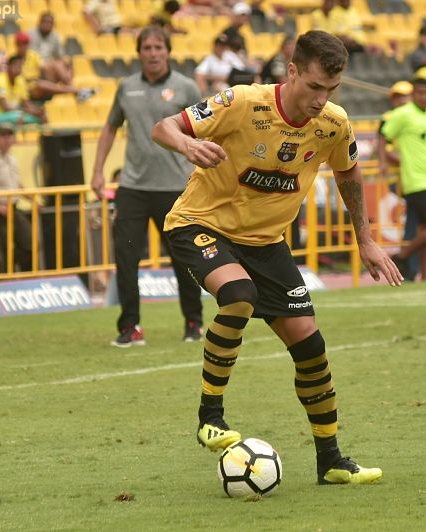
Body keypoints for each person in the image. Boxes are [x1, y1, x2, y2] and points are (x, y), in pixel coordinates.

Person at [150, 30, 401, 484]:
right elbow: (162, 126)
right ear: (291, 72)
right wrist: (187, 145)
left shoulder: (334, 123)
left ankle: (331, 461)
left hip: (266, 243)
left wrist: (365, 239)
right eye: (314, 87)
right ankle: (211, 417)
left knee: (311, 346)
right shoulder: (243, 101)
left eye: (331, 90)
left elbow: (349, 175)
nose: (321, 100)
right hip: (200, 224)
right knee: (239, 294)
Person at [90, 26, 203, 348]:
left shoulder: (186, 88)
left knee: (185, 260)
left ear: (168, 51)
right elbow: (110, 128)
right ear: (139, 53)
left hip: (176, 190)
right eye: (147, 48)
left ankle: (193, 323)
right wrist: (98, 171)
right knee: (126, 259)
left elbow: (205, 130)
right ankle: (130, 329)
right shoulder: (126, 88)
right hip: (133, 189)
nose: (153, 53)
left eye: (158, 47)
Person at [381, 78, 426, 282]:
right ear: (413, 94)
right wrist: (384, 161)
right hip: (416, 181)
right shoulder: (401, 114)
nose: (423, 96)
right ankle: (401, 257)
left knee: (425, 230)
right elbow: (382, 135)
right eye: (418, 93)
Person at [377, 80, 420, 280]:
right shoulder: (390, 117)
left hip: (413, 176)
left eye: (405, 95)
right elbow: (386, 147)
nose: (402, 100)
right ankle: (407, 263)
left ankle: (409, 265)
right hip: (402, 177)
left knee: (416, 223)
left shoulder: (415, 115)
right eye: (398, 96)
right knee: (415, 223)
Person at [0, 122, 32, 274]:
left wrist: (32, 200)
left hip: (12, 207)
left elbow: (16, 184)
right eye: (2, 135)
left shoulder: (11, 159)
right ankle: (2, 282)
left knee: (29, 243)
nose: (6, 139)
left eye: (9, 135)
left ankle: (16, 275)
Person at [0, 55, 45, 126]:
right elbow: (6, 108)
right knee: (18, 117)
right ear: (9, 66)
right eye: (16, 65)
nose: (18, 68)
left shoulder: (20, 81)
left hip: (12, 115)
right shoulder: (0, 80)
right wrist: (26, 111)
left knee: (38, 118)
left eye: (20, 66)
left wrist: (37, 111)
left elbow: (26, 103)